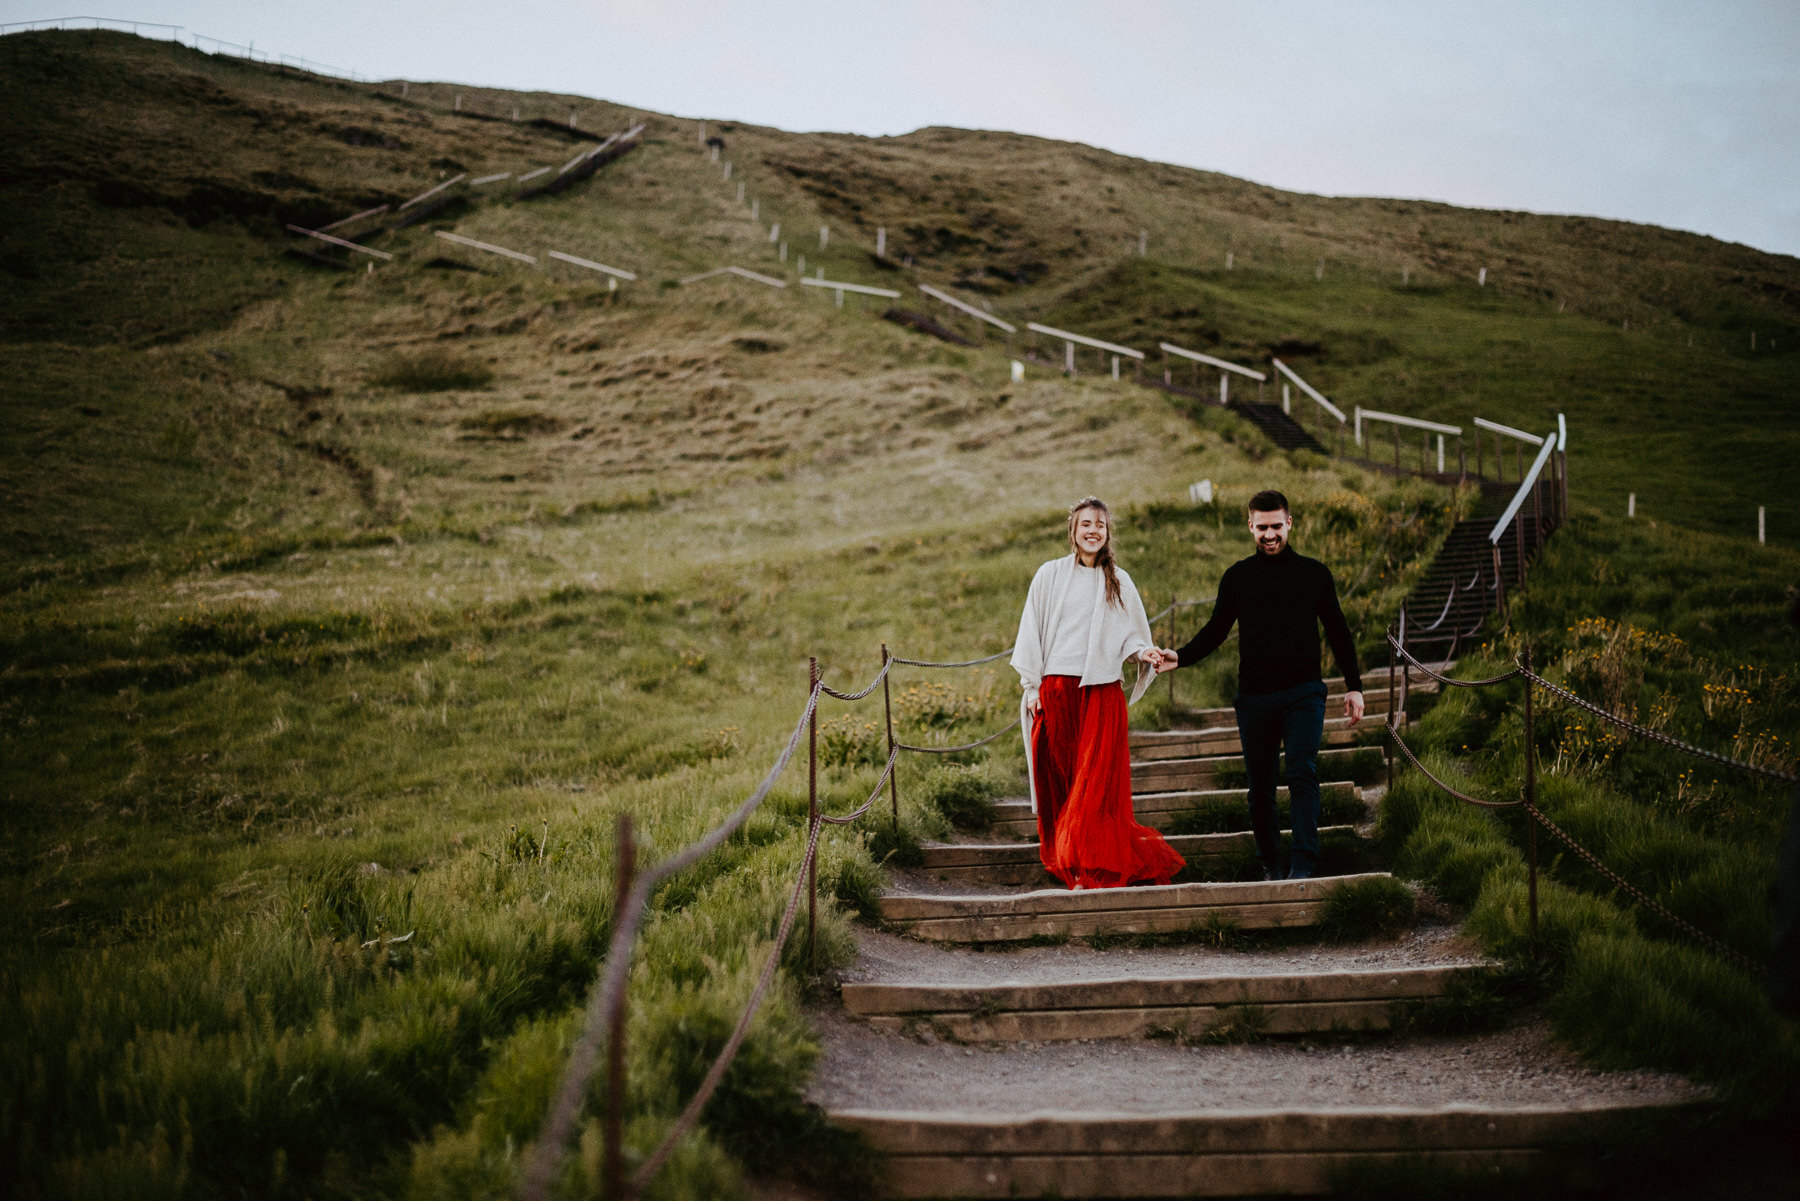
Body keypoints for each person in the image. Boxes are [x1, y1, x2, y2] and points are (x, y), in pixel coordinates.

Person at [1155, 490, 1364, 880]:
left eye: (1277, 526)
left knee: (1302, 771)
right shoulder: (1237, 578)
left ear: (1290, 524)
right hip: (1254, 699)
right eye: (1262, 527)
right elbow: (1216, 630)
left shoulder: (1314, 573)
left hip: (1304, 692)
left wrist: (1354, 686)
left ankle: (1303, 864)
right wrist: (1180, 656)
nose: (1270, 535)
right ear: (1250, 526)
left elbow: (1338, 630)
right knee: (1261, 788)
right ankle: (1270, 862)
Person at [1012, 497, 1186, 890]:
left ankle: (1090, 868)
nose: (1093, 530)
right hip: (1058, 691)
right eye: (1085, 524)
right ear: (1073, 531)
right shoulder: (1050, 575)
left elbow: (1130, 636)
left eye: (1100, 525)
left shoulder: (1119, 580)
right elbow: (1031, 631)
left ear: (1107, 533)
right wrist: (1032, 686)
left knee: (1095, 786)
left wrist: (1145, 651)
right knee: (1065, 780)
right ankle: (1073, 865)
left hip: (1102, 693)